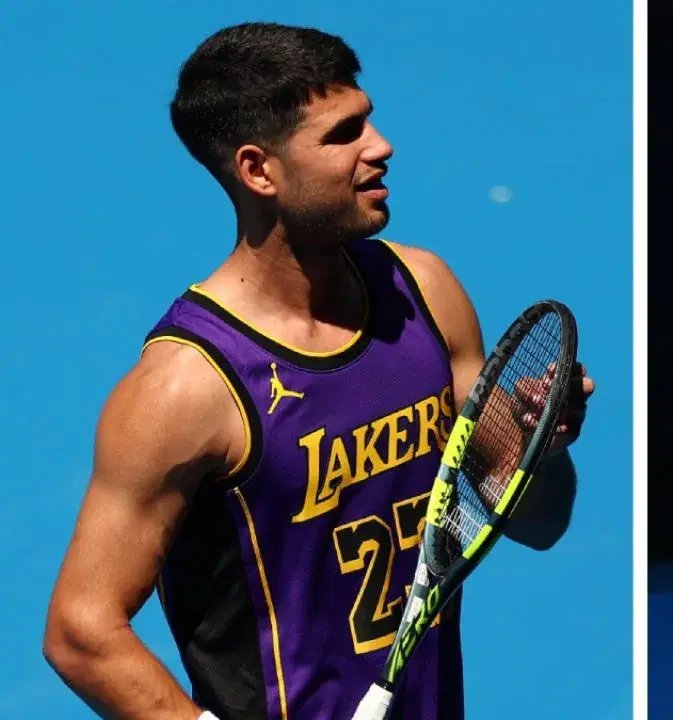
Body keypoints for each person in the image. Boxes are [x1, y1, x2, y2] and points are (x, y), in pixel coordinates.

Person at [42, 22, 593, 720]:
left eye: (368, 120)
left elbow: (539, 522)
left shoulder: (423, 295)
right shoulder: (190, 386)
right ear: (258, 171)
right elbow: (81, 631)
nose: (380, 146)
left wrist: (542, 448)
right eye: (343, 135)